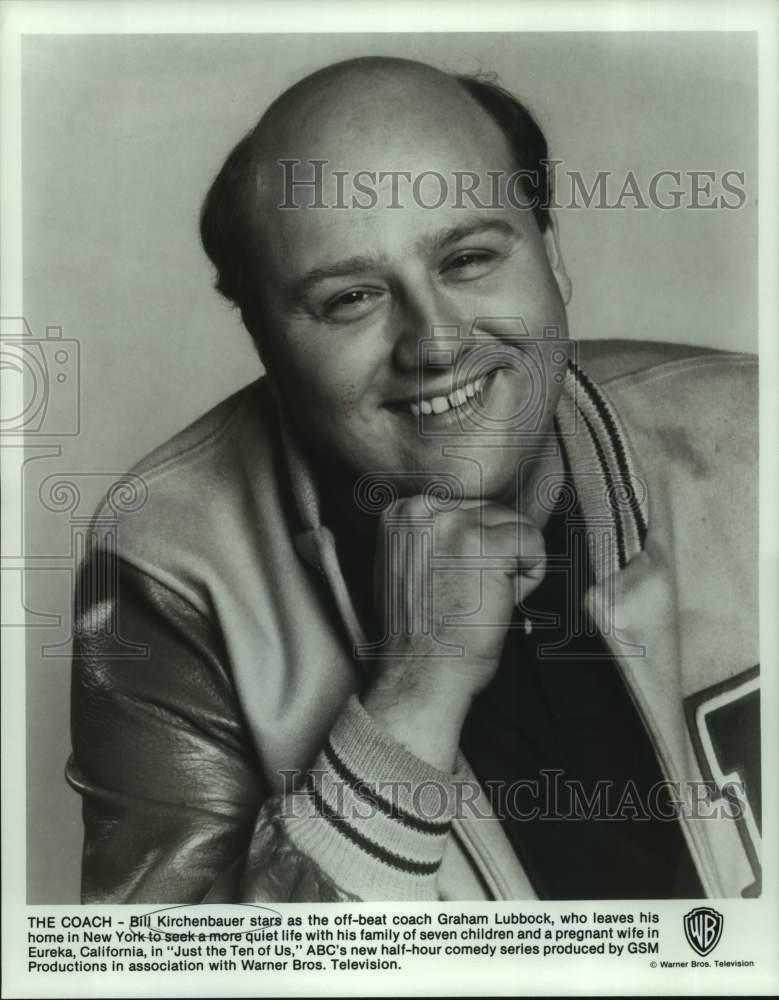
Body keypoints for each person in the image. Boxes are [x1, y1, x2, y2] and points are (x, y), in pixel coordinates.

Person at [66, 56, 760, 903]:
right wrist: (416, 684)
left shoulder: (749, 436)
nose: (433, 341)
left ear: (551, 256)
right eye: (351, 298)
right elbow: (162, 983)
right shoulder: (169, 559)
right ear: (264, 344)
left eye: (468, 259)